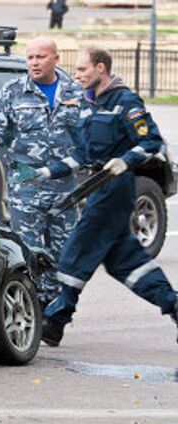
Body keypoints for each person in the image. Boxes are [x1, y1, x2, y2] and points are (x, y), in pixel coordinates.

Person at [42, 46, 178, 346]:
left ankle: (55, 319)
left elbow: (151, 140)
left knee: (75, 251)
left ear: (100, 68)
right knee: (125, 262)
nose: (76, 75)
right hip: (97, 185)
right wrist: (48, 172)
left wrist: (126, 160)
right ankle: (174, 304)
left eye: (82, 69)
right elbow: (83, 155)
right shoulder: (88, 104)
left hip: (115, 187)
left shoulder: (124, 101)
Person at [0, 36, 84, 312]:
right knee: (29, 255)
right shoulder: (12, 92)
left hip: (65, 192)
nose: (34, 63)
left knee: (65, 257)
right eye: (30, 57)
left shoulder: (74, 92)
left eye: (41, 57)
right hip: (26, 189)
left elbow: (88, 137)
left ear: (56, 59)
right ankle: (35, 313)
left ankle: (51, 309)